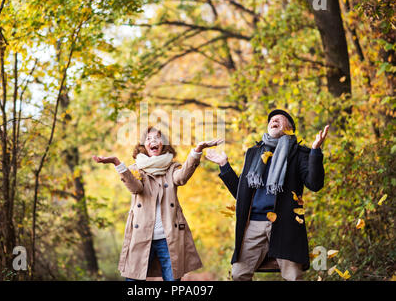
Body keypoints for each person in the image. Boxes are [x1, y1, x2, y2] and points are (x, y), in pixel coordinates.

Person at [206, 109, 329, 281]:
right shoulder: (254, 153)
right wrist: (224, 166)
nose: (274, 120)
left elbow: (315, 184)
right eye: (271, 119)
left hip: (285, 223)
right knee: (238, 274)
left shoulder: (299, 153)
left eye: (279, 119)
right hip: (254, 223)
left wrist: (315, 151)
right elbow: (241, 194)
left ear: (290, 128)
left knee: (293, 276)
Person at [93, 126, 223, 281]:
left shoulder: (172, 168)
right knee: (133, 280)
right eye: (148, 138)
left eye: (157, 138)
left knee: (173, 280)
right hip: (141, 236)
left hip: (168, 238)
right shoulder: (135, 169)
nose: (153, 141)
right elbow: (136, 188)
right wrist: (116, 162)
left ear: (164, 144)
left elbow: (181, 178)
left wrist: (197, 150)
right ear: (143, 146)